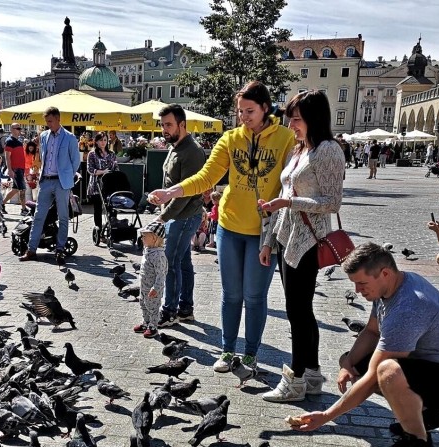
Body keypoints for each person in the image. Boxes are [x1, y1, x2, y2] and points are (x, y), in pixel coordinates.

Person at [291, 243, 439, 447]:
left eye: (361, 283)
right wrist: (347, 363)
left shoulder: (409, 307)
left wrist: (326, 416)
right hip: (437, 368)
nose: (357, 291)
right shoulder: (390, 286)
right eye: (354, 284)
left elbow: (376, 375)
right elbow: (372, 331)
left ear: (384, 273)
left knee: (387, 371)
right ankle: (424, 414)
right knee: (356, 361)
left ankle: (417, 443)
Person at [148, 83, 295, 375]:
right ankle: (228, 351)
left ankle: (251, 353)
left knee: (254, 296)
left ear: (265, 108)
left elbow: (291, 181)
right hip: (229, 225)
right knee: (231, 295)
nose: (243, 117)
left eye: (249, 111)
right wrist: (171, 192)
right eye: (239, 111)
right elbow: (205, 177)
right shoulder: (230, 139)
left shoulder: (285, 138)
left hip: (264, 232)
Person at [259, 90, 344, 402]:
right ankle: (311, 373)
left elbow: (332, 202)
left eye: (296, 119)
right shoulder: (300, 150)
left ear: (313, 118)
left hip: (309, 240)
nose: (291, 124)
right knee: (301, 309)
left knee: (297, 310)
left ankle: (294, 379)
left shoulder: (328, 151)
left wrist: (290, 201)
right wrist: (269, 240)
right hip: (287, 238)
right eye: (290, 118)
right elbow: (284, 200)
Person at [144, 104, 207, 326]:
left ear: (182, 124)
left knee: (170, 262)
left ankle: (170, 311)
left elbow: (186, 194)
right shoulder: (176, 146)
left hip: (184, 215)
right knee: (183, 261)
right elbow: (171, 184)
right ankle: (185, 309)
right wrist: (158, 198)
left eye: (169, 125)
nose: (164, 129)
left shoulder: (192, 151)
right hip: (177, 214)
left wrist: (163, 217)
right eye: (162, 125)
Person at [19, 107, 80, 262]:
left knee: (63, 217)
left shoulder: (70, 138)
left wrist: (67, 177)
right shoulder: (44, 136)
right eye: (46, 122)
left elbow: (76, 162)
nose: (48, 124)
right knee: (39, 216)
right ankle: (31, 249)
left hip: (61, 182)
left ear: (58, 119)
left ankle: (60, 249)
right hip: (46, 180)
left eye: (50, 121)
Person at [133, 220, 168, 338]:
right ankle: (146, 322)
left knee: (153, 307)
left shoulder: (158, 255)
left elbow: (161, 274)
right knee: (143, 304)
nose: (142, 238)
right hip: (144, 286)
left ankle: (153, 326)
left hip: (153, 289)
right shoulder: (148, 250)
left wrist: (156, 288)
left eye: (144, 236)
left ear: (154, 238)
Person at [87, 132, 118, 235]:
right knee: (98, 209)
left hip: (109, 184)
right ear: (96, 141)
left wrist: (115, 174)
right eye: (101, 140)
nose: (103, 142)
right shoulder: (92, 154)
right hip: (96, 185)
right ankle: (99, 231)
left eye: (105, 140)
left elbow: (115, 167)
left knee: (111, 207)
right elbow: (90, 169)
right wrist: (103, 171)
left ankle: (111, 228)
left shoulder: (112, 153)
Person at [2, 123, 28, 214]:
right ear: (12, 129)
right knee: (22, 189)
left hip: (20, 168)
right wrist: (9, 169)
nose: (20, 130)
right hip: (16, 168)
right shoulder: (9, 141)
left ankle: (2, 204)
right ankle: (24, 209)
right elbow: (7, 157)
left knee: (16, 189)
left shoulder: (18, 141)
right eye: (18, 128)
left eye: (20, 128)